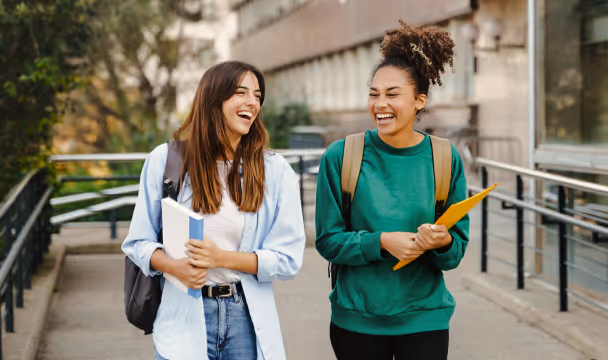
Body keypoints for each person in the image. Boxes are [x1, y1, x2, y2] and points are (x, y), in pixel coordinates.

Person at [122, 61, 306, 360]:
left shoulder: (274, 170)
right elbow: (137, 243)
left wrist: (221, 259)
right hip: (181, 320)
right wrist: (174, 267)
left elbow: (287, 260)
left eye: (258, 95)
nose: (252, 102)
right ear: (212, 100)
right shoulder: (166, 161)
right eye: (241, 92)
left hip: (245, 319)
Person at [315, 21, 468, 360]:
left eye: (392, 94)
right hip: (356, 320)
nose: (380, 104)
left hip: (424, 318)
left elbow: (455, 250)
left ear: (419, 100)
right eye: (374, 93)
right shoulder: (341, 157)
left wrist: (441, 241)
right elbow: (327, 241)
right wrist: (381, 242)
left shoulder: (444, 158)